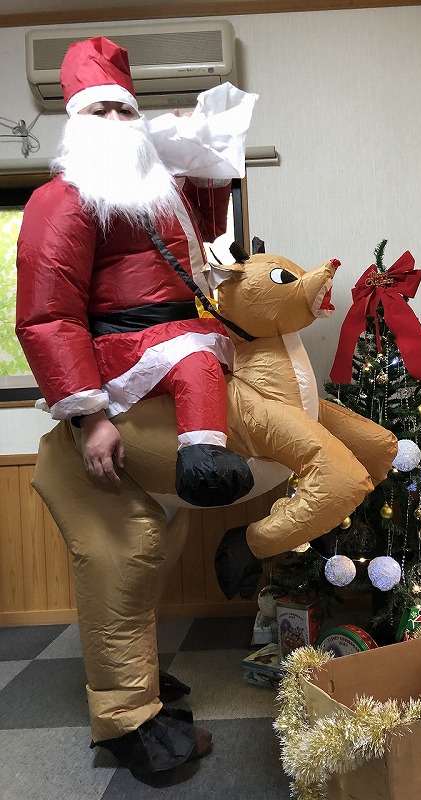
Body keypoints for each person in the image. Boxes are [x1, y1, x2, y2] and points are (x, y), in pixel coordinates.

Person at [15, 36, 255, 784]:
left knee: (152, 558)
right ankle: (127, 722)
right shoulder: (60, 200)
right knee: (124, 564)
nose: (119, 122)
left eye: (127, 109)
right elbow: (48, 315)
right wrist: (89, 418)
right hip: (108, 414)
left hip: (157, 393)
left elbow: (198, 242)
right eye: (102, 111)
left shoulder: (155, 195)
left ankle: (141, 679)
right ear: (76, 121)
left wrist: (209, 155)